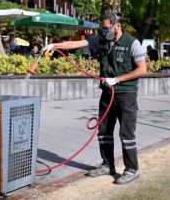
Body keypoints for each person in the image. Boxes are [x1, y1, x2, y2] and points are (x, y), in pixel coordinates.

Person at [42, 13, 147, 184]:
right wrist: (54, 45)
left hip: (126, 95)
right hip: (107, 94)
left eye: (107, 28)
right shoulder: (101, 40)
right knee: (104, 132)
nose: (104, 32)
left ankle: (131, 169)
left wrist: (117, 79)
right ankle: (107, 165)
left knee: (126, 134)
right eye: (102, 28)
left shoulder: (132, 43)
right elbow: (75, 43)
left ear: (117, 26)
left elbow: (142, 70)